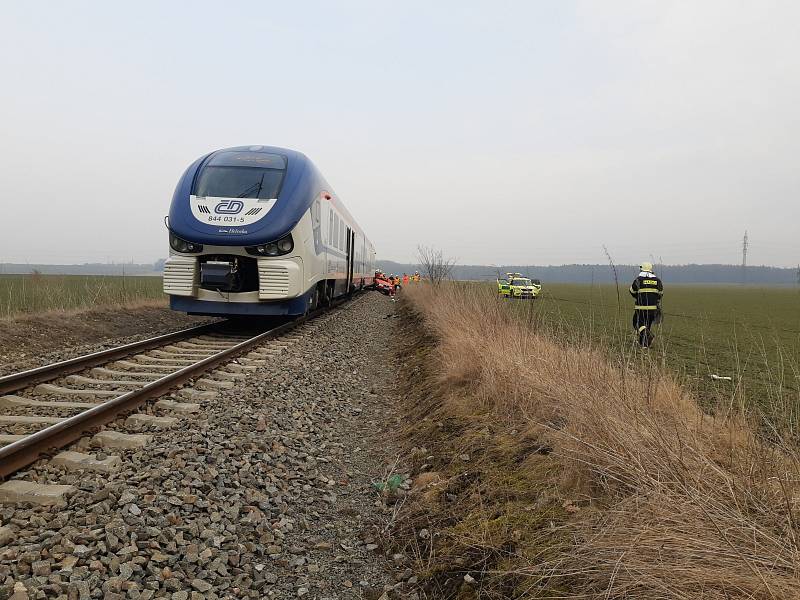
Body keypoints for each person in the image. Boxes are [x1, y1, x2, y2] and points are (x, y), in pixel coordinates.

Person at [629, 262, 663, 347]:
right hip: (653, 309)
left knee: (637, 324)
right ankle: (644, 344)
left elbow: (631, 291)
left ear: (641, 269)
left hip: (641, 308)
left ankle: (648, 335)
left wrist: (638, 296)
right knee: (647, 325)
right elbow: (661, 294)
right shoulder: (657, 281)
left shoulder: (638, 280)